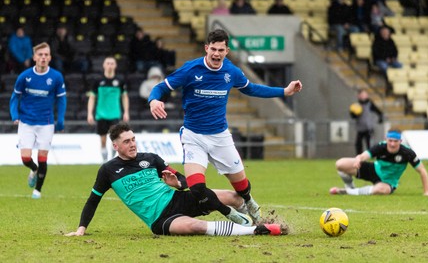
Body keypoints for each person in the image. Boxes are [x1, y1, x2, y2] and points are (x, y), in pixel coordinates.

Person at [148, 29, 303, 226]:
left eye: (221, 50)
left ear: (227, 51)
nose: (216, 54)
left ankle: (249, 202)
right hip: (193, 136)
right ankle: (229, 212)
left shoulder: (231, 72)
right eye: (213, 49)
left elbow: (252, 89)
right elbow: (161, 87)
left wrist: (285, 91)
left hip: (220, 137)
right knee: (196, 188)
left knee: (241, 186)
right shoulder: (190, 70)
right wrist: (154, 100)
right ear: (206, 48)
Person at [65, 122, 286, 236]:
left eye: (133, 139)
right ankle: (255, 231)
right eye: (126, 142)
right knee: (197, 227)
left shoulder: (151, 158)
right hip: (160, 220)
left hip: (178, 200)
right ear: (115, 146)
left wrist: (178, 183)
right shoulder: (108, 170)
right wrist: (82, 228)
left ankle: (260, 220)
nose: (132, 144)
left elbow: (183, 179)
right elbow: (93, 199)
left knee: (234, 197)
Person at [9, 42, 67, 199]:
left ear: (50, 57)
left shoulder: (56, 77)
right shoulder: (24, 76)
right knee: (26, 158)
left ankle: (37, 191)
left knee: (43, 158)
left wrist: (60, 119)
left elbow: (61, 100)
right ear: (34, 57)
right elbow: (15, 97)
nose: (43, 57)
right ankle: (33, 170)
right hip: (26, 122)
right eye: (40, 55)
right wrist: (15, 115)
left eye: (46, 55)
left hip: (46, 123)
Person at [330, 128, 428, 196]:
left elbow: (422, 170)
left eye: (395, 141)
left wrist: (427, 192)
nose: (392, 144)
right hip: (374, 170)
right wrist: (358, 159)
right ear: (386, 139)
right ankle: (350, 186)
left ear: (400, 141)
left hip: (388, 182)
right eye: (390, 140)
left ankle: (347, 192)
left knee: (380, 190)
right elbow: (365, 155)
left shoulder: (407, 152)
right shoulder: (381, 146)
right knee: (340, 164)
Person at [87, 56, 130, 162]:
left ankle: (112, 160)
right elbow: (92, 98)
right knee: (103, 140)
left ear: (115, 65)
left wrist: (126, 112)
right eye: (108, 63)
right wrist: (89, 113)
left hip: (114, 114)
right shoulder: (98, 81)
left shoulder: (120, 81)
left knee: (115, 139)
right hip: (101, 114)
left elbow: (124, 97)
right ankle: (105, 160)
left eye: (112, 63)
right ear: (104, 65)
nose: (110, 65)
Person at [351, 89, 383, 155]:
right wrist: (354, 114)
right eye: (362, 95)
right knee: (358, 143)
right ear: (359, 96)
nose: (364, 96)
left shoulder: (370, 104)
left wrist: (380, 118)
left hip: (368, 127)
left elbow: (379, 112)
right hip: (360, 128)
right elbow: (352, 116)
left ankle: (370, 155)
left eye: (365, 94)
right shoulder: (356, 105)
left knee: (369, 142)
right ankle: (359, 155)